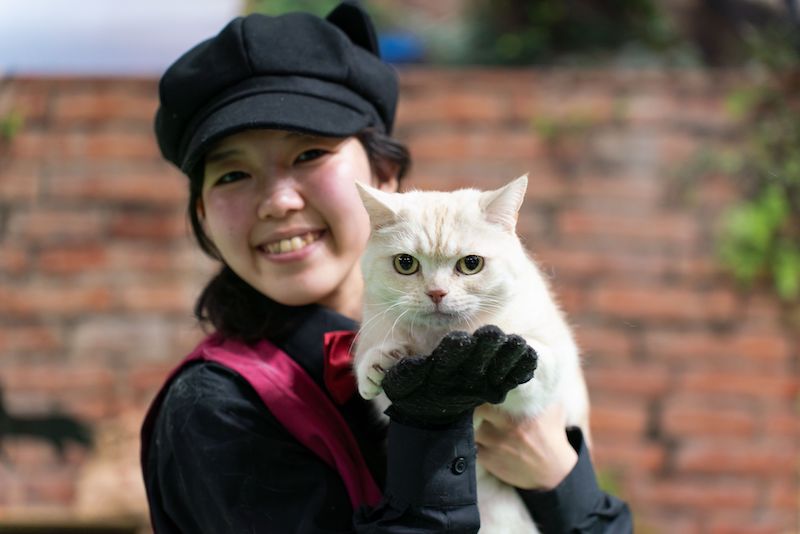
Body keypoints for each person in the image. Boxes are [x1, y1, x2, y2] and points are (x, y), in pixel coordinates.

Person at [140, 2, 633, 532]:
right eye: (232, 174)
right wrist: (432, 431)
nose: (278, 201)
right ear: (202, 216)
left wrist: (558, 475)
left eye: (309, 154)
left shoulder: (498, 318)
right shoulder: (213, 409)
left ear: (386, 175)